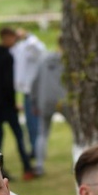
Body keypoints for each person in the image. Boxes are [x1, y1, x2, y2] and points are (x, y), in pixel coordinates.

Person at [0, 26, 34, 180]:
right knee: (17, 136)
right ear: (5, 38)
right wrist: (12, 102)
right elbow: (8, 84)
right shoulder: (7, 57)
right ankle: (27, 168)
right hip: (6, 105)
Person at [30, 40, 71, 176]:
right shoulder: (70, 62)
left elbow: (35, 81)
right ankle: (79, 162)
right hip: (65, 100)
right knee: (78, 132)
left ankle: (39, 165)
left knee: (42, 133)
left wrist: (34, 101)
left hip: (45, 101)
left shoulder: (43, 60)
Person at [11, 28, 45, 159]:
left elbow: (38, 49)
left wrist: (28, 35)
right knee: (30, 125)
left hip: (33, 92)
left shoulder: (34, 46)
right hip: (26, 91)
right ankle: (34, 149)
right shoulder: (21, 47)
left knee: (35, 124)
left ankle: (37, 151)